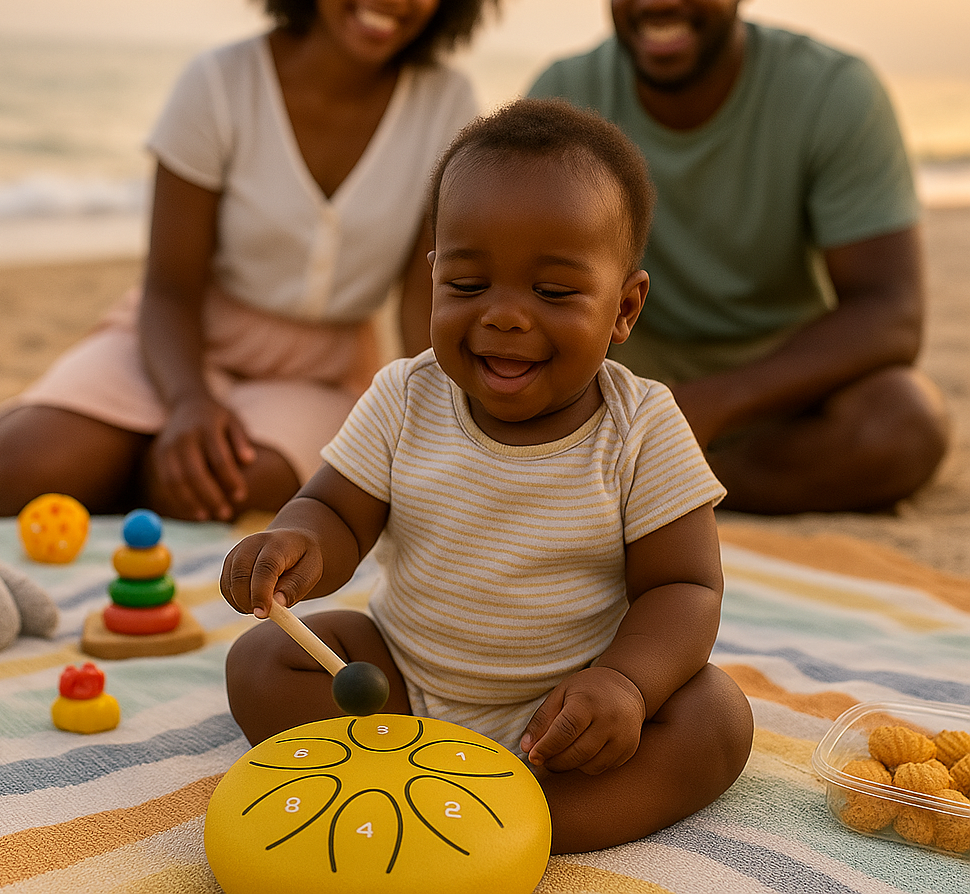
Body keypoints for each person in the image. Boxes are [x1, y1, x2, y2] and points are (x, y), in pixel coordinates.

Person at [220, 99, 754, 853]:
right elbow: (335, 513)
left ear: (624, 308)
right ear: (435, 276)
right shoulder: (405, 396)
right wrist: (296, 544)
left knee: (716, 719)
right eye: (469, 285)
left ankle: (527, 825)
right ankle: (408, 780)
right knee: (262, 662)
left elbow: (685, 588)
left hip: (568, 718)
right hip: (401, 689)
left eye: (554, 293)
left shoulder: (641, 426)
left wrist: (628, 683)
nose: (504, 317)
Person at [0, 0, 512, 522]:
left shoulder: (446, 107)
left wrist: (436, 432)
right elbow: (169, 289)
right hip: (179, 340)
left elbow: (422, 303)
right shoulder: (218, 84)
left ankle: (129, 460)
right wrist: (188, 401)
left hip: (319, 373)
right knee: (13, 474)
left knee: (214, 488)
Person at [528, 0, 950, 514]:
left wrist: (707, 407)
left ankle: (675, 486)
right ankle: (648, 479)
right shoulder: (564, 97)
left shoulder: (834, 92)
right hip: (617, 378)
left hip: (778, 387)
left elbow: (891, 312)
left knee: (906, 421)